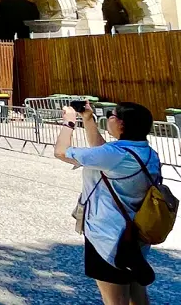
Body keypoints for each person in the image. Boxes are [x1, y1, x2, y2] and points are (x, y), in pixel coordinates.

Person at [55, 101, 162, 305]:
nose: (108, 118)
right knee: (137, 295)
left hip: (107, 236)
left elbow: (61, 151)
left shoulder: (115, 154)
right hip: (135, 233)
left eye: (112, 115)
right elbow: (102, 151)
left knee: (115, 300)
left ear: (122, 124)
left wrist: (69, 123)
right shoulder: (145, 153)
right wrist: (88, 119)